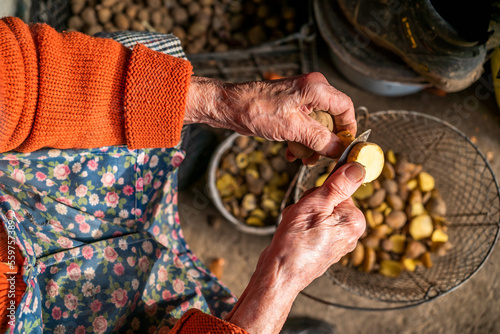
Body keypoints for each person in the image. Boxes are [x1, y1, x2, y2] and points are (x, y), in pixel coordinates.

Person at [0, 17, 365, 333]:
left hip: (22, 213)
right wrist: (280, 280)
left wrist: (219, 102)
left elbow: (14, 78)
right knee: (207, 314)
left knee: (142, 62)